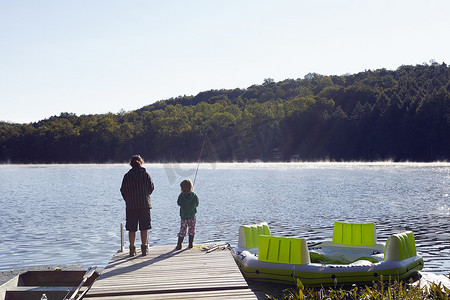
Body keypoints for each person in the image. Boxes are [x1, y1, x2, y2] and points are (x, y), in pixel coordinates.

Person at [120, 155, 154, 257]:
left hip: (131, 206)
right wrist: (145, 196)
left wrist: (128, 199)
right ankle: (144, 249)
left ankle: (132, 249)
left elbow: (123, 190)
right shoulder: (145, 174)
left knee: (132, 228)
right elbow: (151, 187)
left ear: (131, 163)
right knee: (144, 227)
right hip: (144, 204)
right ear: (141, 162)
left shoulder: (127, 176)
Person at [175, 179, 199, 250]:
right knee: (192, 229)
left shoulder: (181, 196)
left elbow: (178, 203)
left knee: (182, 229)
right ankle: (190, 244)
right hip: (192, 216)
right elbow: (197, 204)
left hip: (184, 216)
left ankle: (179, 245)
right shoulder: (194, 196)